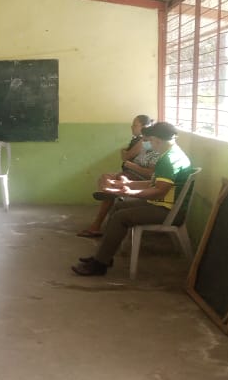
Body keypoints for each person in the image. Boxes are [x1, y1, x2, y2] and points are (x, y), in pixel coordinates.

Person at [71, 122, 192, 276]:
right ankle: (103, 256)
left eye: (149, 140)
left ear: (157, 140)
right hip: (165, 205)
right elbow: (154, 183)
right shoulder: (173, 153)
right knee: (117, 207)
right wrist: (127, 184)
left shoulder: (167, 160)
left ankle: (100, 265)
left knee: (121, 217)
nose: (148, 143)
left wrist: (130, 193)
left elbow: (159, 191)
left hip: (167, 210)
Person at [77, 115, 161, 238]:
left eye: (147, 140)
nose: (144, 142)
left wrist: (131, 165)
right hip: (132, 174)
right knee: (106, 177)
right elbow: (125, 155)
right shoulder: (145, 145)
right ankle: (109, 194)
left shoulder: (156, 152)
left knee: (112, 183)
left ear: (156, 140)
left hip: (139, 177)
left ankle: (98, 222)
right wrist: (128, 160)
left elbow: (149, 173)